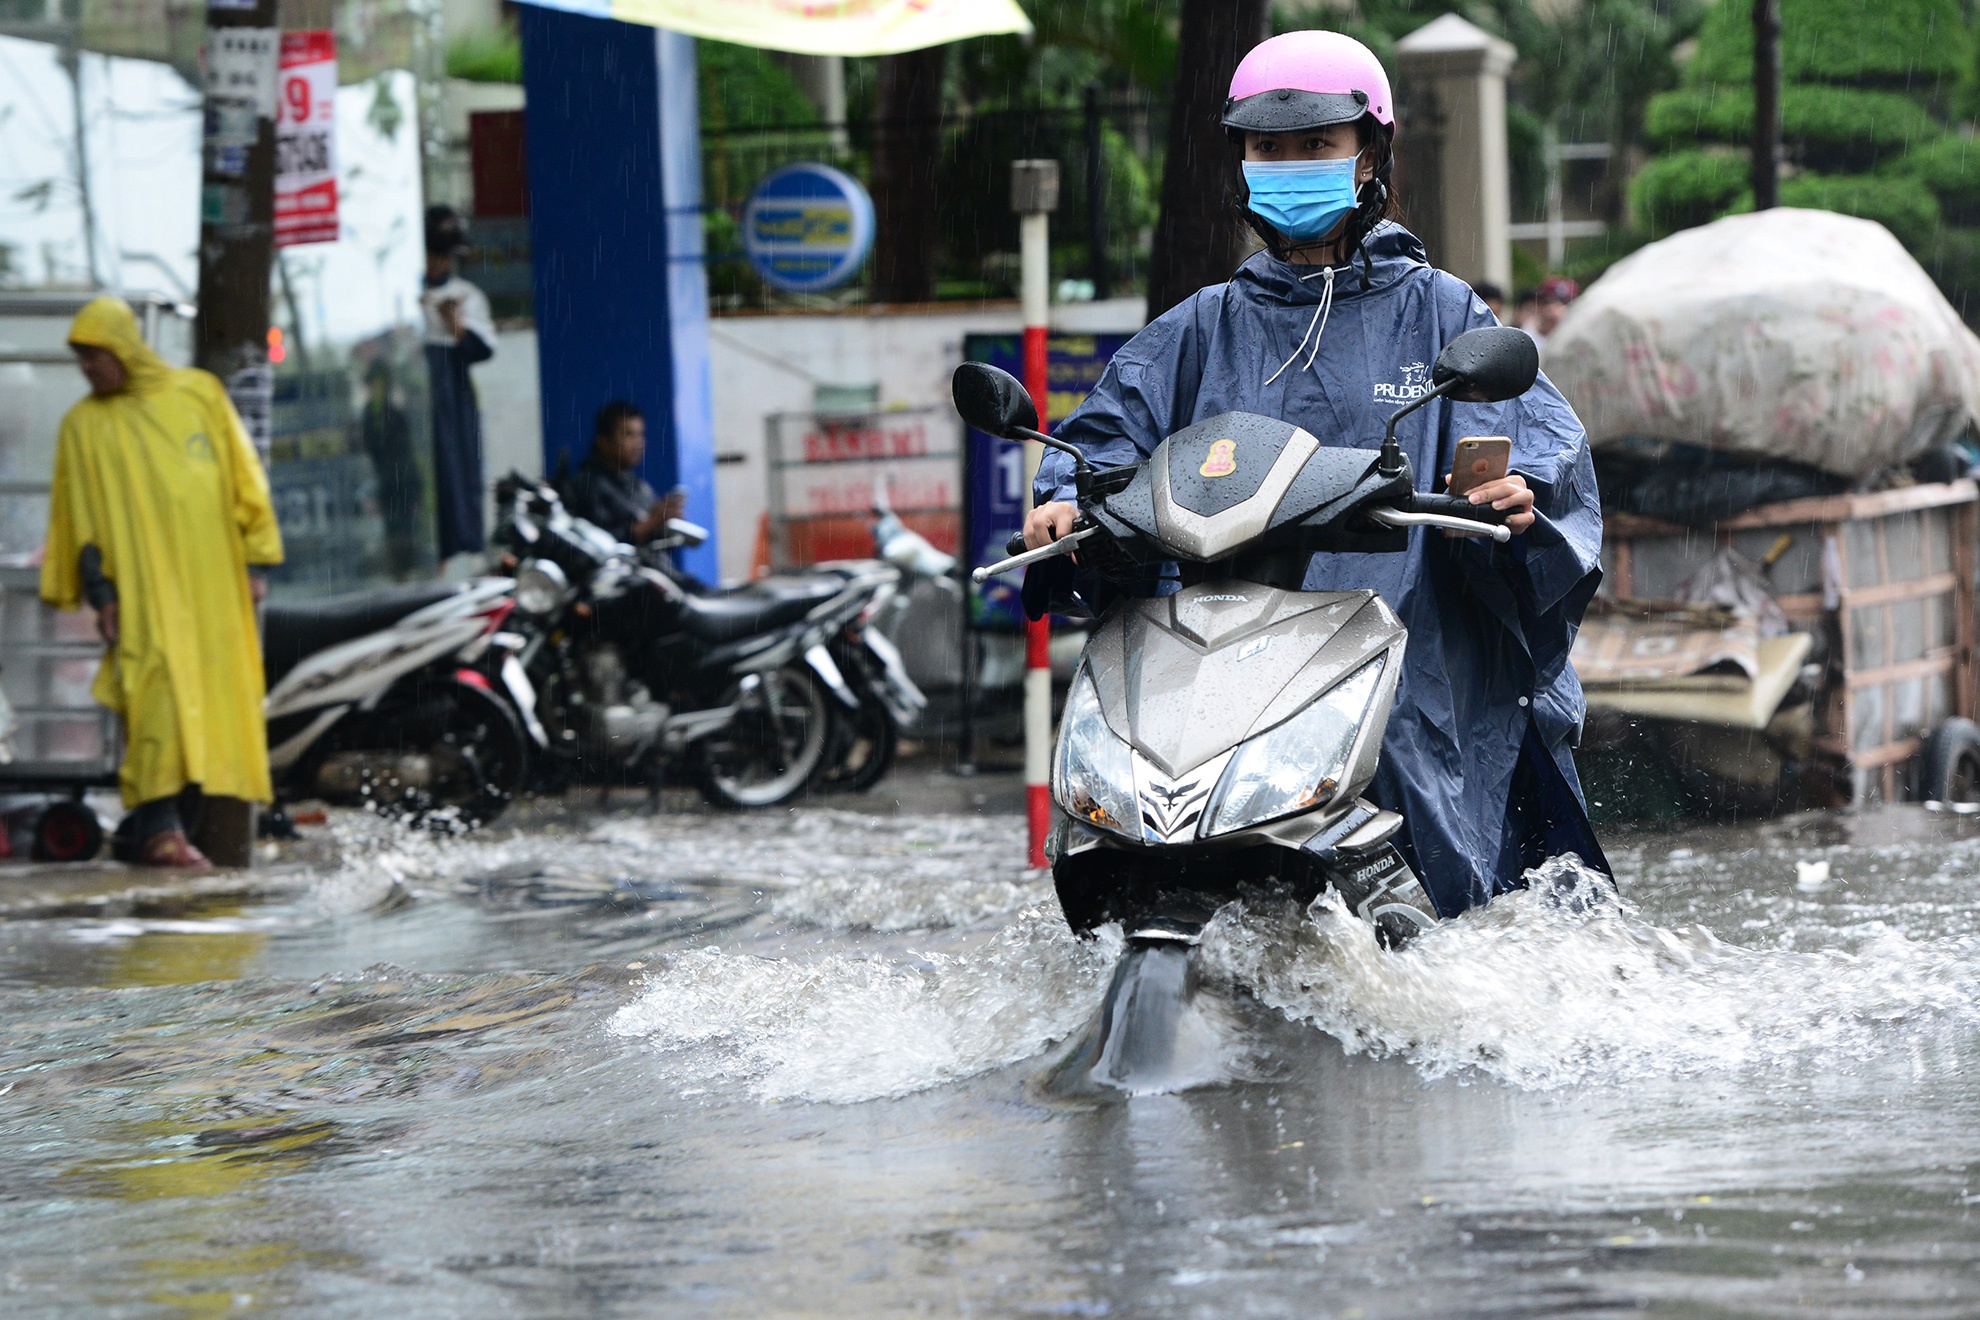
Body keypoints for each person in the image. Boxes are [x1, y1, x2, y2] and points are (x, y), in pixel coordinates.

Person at [1023, 28, 1608, 918]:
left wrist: (1515, 494)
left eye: (1315, 145)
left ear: (1369, 154)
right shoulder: (1200, 327)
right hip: (1212, 665)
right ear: (1241, 161)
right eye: (1268, 149)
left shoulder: (1444, 312)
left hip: (1403, 652)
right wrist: (1065, 503)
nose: (1289, 166)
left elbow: (1534, 447)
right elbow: (1102, 442)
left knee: (1428, 845)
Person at [41, 297, 284, 867]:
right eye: (81, 358)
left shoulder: (198, 394)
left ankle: (178, 830)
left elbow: (244, 476)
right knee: (153, 702)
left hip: (211, 584)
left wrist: (256, 561)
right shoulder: (83, 425)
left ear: (124, 348)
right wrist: (101, 594)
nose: (87, 368)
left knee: (215, 697)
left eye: (95, 355)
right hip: (142, 595)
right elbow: (80, 520)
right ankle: (161, 829)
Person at [422, 205, 496, 567]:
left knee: (459, 470)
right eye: (434, 253)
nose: (440, 263)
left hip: (453, 390)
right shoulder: (403, 294)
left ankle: (463, 547)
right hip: (417, 390)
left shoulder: (466, 295)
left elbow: (484, 349)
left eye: (446, 256)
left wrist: (457, 327)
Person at [565, 400, 672, 546]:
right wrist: (649, 524)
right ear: (603, 441)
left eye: (640, 434)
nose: (638, 443)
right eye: (628, 434)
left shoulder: (638, 486)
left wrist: (666, 521)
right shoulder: (589, 485)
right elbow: (600, 544)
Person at [358, 358, 422, 579]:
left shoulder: (394, 414)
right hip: (388, 486)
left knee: (405, 532)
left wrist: (415, 488)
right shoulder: (370, 416)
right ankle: (400, 573)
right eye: (374, 384)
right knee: (394, 532)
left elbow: (406, 453)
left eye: (381, 384)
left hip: (402, 483)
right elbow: (372, 449)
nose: (377, 389)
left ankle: (405, 572)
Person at [1522, 276, 1578, 351]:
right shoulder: (1523, 337)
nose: (1554, 309)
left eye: (1564, 303)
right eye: (1548, 302)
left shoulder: (1575, 338)